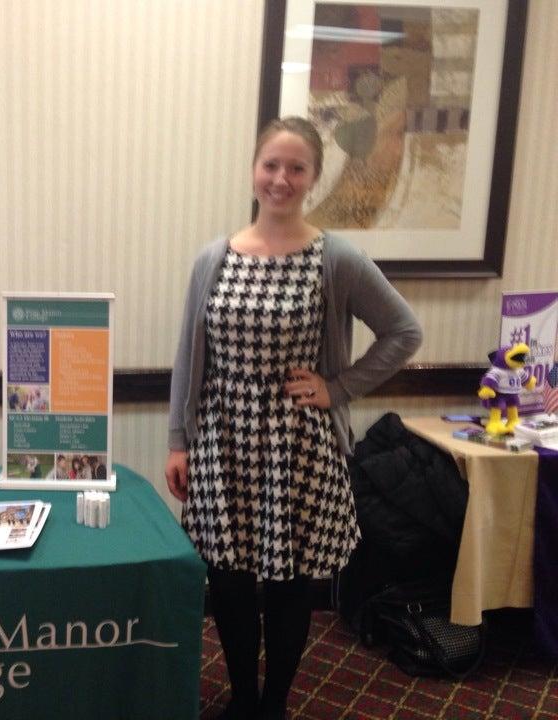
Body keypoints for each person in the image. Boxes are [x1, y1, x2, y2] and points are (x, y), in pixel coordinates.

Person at [165, 116, 422, 720]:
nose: (281, 179)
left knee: (289, 582)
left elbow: (403, 332)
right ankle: (242, 700)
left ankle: (273, 706)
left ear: (313, 177)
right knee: (227, 579)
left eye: (296, 168)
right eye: (271, 165)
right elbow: (189, 356)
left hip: (298, 445)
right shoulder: (214, 259)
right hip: (223, 441)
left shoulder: (336, 257)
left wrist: (338, 388)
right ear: (254, 171)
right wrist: (179, 440)